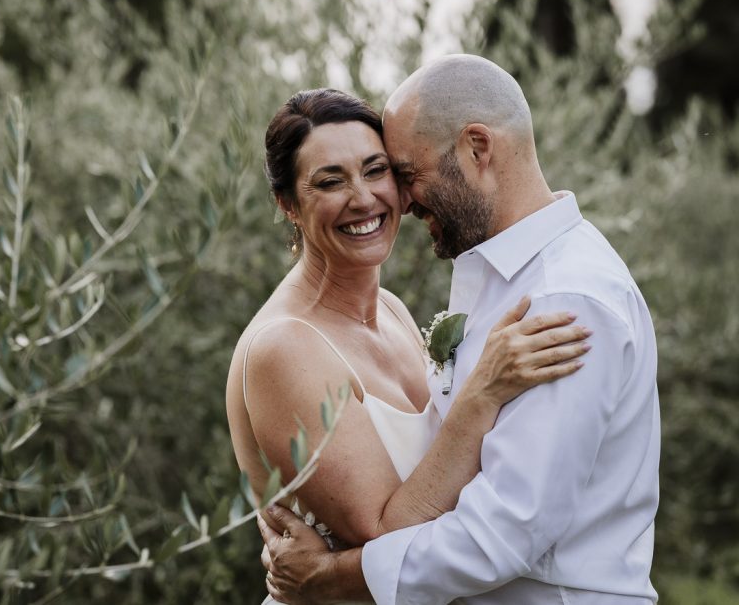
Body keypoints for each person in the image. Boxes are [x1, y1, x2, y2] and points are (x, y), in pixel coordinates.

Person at [258, 55, 660, 604]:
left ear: (477, 148)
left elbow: (501, 532)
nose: (397, 198)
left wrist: (329, 577)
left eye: (402, 172)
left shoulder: (564, 300)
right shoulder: (505, 280)